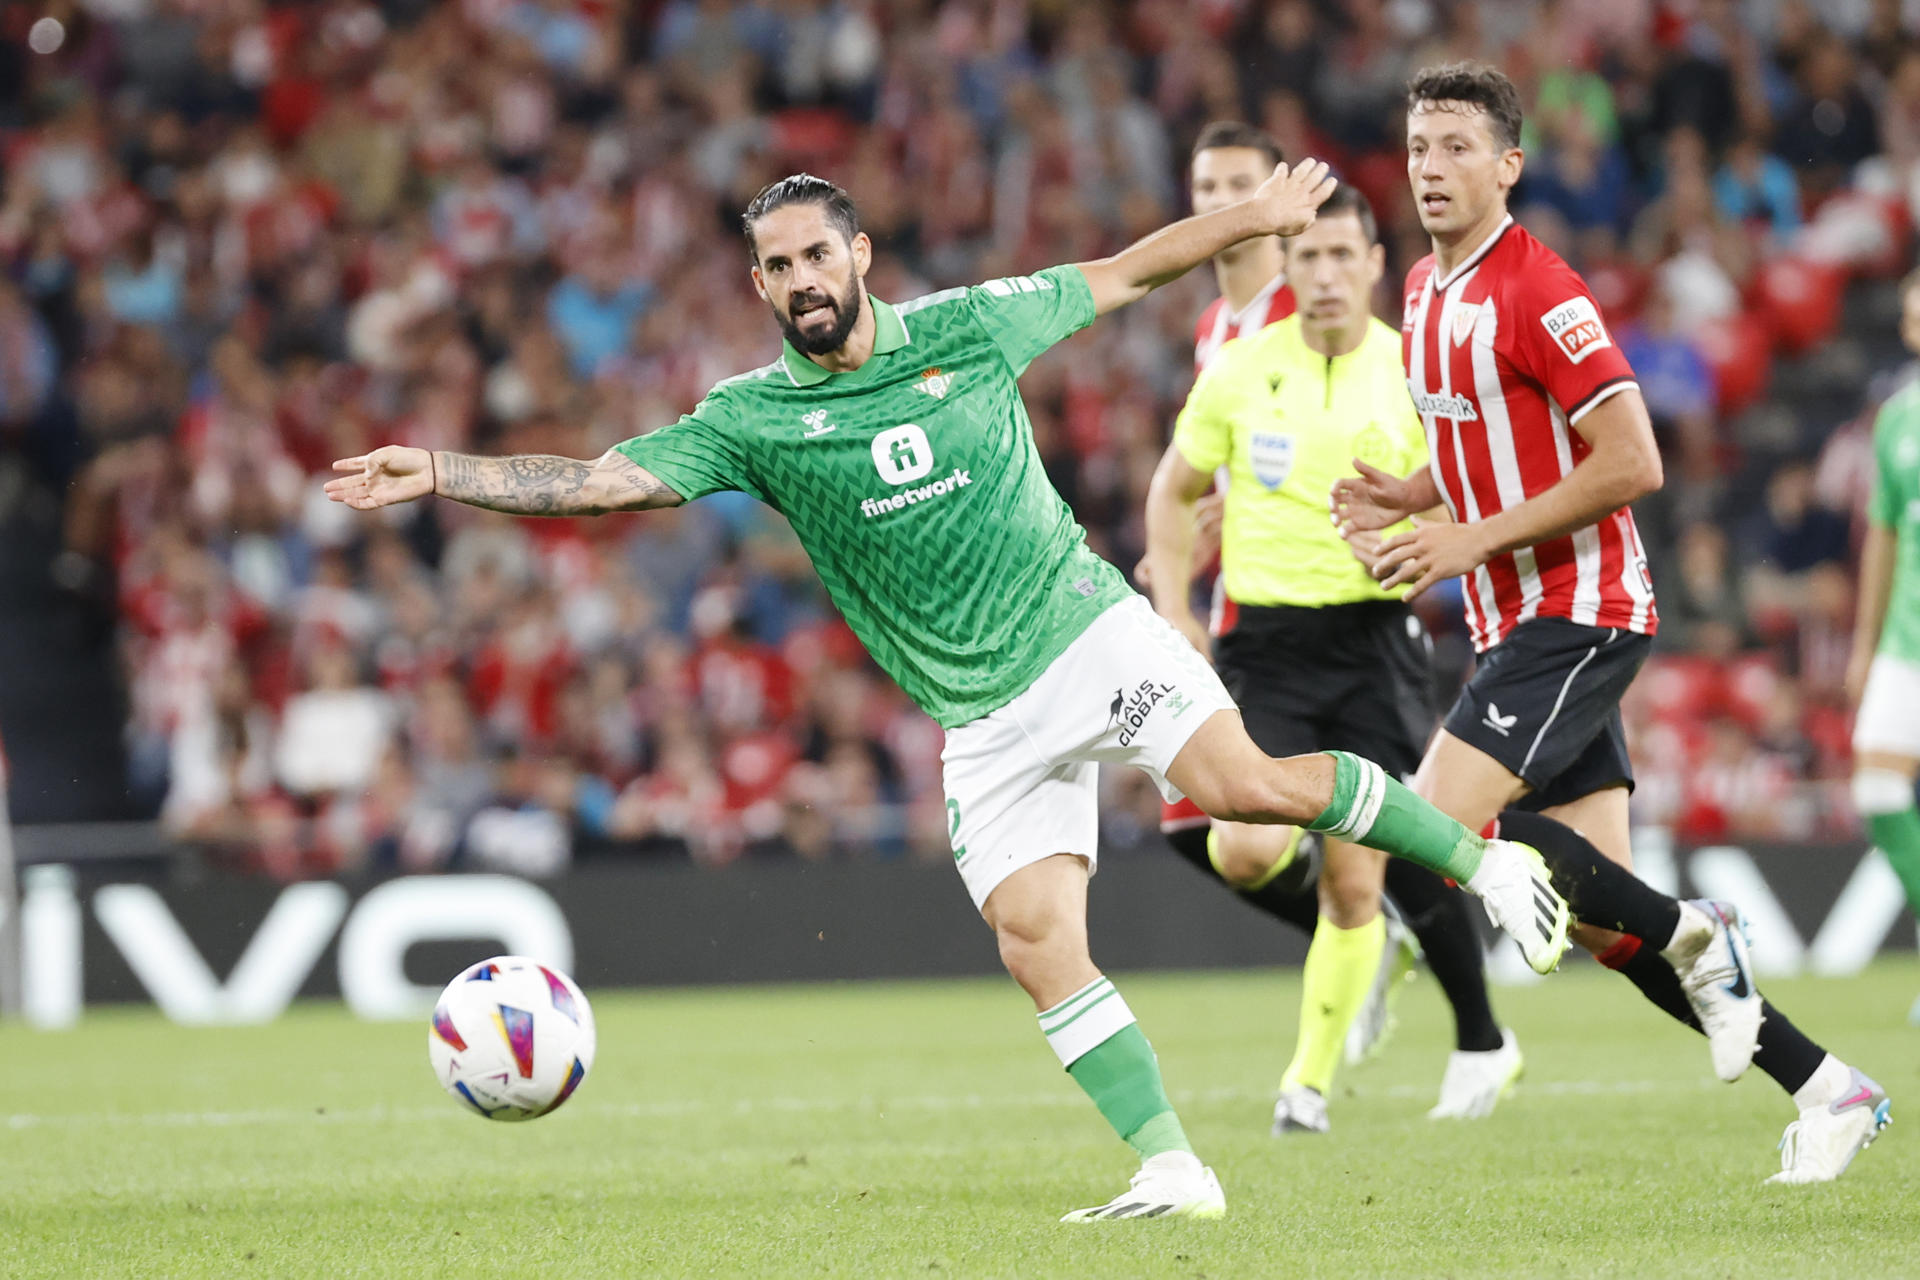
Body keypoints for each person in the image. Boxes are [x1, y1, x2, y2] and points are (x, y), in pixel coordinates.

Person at [329, 164, 1577, 1222]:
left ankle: (1482, 864)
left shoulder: (971, 326)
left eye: (819, 252)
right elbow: (604, 484)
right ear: (760, 286)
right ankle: (1174, 1168)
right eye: (777, 266)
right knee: (1038, 944)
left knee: (1242, 789)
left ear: (859, 254)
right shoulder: (753, 418)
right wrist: (438, 467)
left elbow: (1129, 272)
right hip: (980, 718)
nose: (803, 277)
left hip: (1088, 635)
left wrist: (1251, 224)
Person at [1332, 61, 1888, 1183]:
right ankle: (1831, 1087)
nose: (1431, 167)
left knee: (1436, 829)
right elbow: (1489, 448)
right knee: (1608, 926)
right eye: (1419, 145)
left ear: (1509, 166)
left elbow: (1632, 458)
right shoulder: (1428, 293)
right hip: (1512, 620)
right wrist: (1417, 496)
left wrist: (1472, 541)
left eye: (1456, 147)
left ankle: (1706, 924)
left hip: (1578, 608)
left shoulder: (1542, 289)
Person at [1143, 173, 1514, 1132]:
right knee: (1243, 844)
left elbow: (1472, 491)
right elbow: (1173, 489)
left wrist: (1416, 537)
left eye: (1343, 254)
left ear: (1375, 265)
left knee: (1357, 878)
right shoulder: (1238, 367)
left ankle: (1304, 1086)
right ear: (1287, 264)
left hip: (1370, 643)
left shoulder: (1413, 370)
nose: (1325, 274)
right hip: (1263, 646)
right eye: (1307, 256)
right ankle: (1378, 978)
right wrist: (1178, 606)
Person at [1846, 266, 1920, 1028]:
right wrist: (1863, 644)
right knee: (1876, 790)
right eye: (1912, 318)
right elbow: (1884, 538)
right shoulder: (1898, 418)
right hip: (1907, 641)